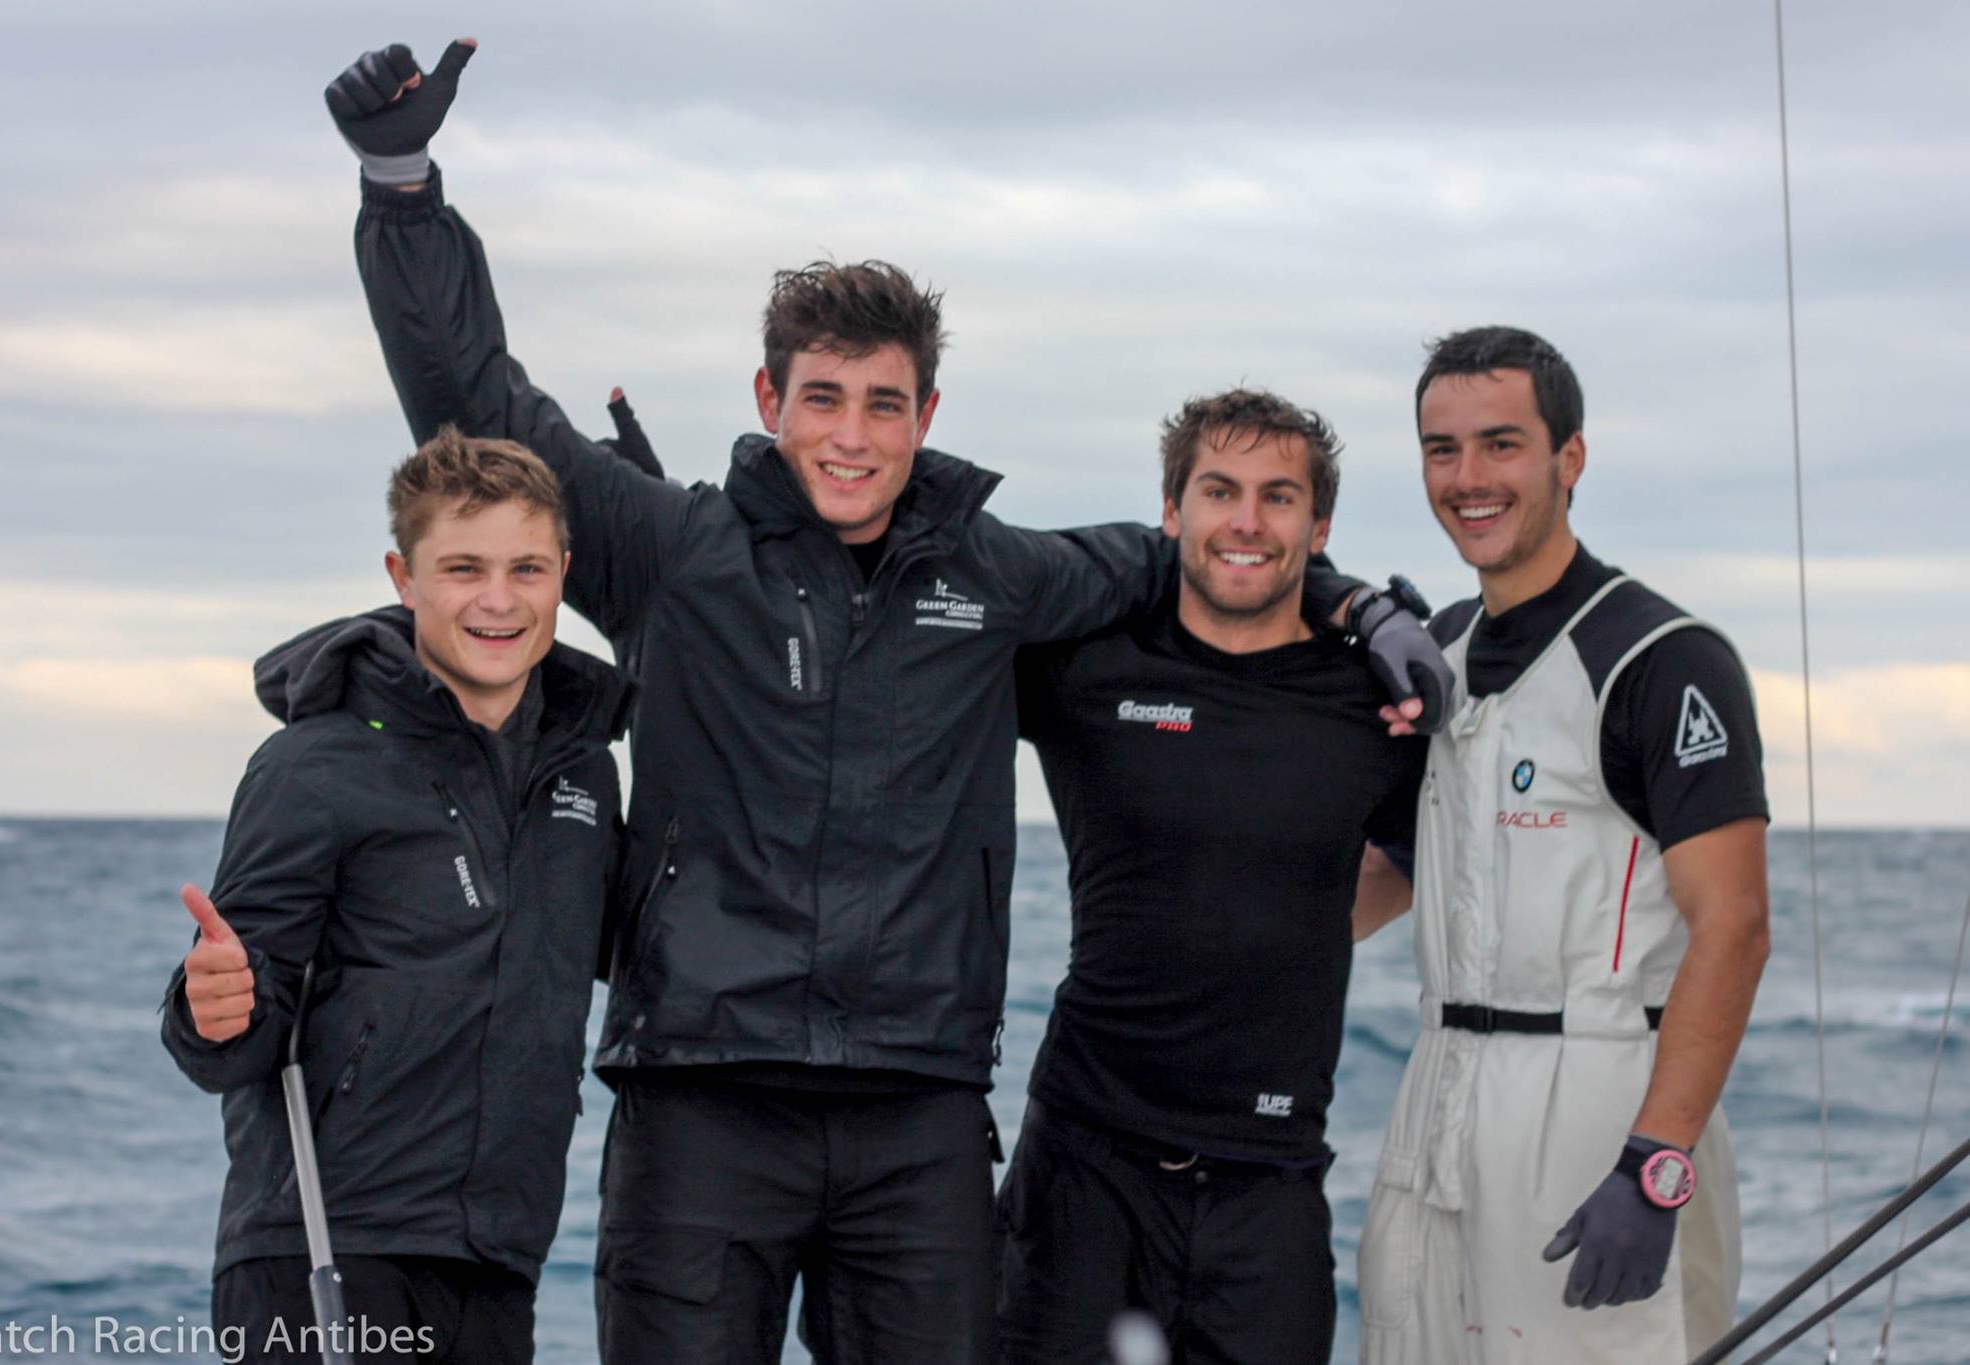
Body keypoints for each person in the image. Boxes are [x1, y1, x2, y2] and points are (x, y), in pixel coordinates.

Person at [323, 39, 1452, 1365]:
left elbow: (1206, 557)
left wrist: (1359, 603)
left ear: (925, 412)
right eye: (822, 399)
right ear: (769, 399)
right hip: (701, 1098)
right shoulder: (669, 550)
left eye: (881, 402)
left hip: (917, 1115)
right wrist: (403, 188)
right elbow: (479, 401)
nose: (849, 435)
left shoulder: (1000, 573)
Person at [161, 428, 633, 1363]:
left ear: (563, 575)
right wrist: (209, 1006)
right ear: (403, 575)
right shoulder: (312, 763)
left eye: (526, 568)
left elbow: (634, 957)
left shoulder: (584, 774)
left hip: (501, 1252)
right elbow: (233, 1034)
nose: (498, 599)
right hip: (323, 1255)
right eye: (462, 567)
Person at [1354, 326, 1771, 1364]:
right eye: (1439, 449)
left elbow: (1734, 924)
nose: (1466, 478)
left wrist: (1654, 1163)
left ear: (1567, 458)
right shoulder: (1434, 650)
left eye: (1499, 444)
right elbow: (1398, 869)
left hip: (1598, 1103)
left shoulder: (1660, 660)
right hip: (1437, 1089)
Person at [997, 389, 1428, 1365]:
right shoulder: (1083, 665)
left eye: (1278, 498)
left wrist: (1297, 917)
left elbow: (1408, 856)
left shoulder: (1373, 700)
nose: (1245, 521)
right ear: (1170, 511)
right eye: (1218, 490)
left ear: (1317, 527)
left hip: (1268, 1186)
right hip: (1083, 1161)